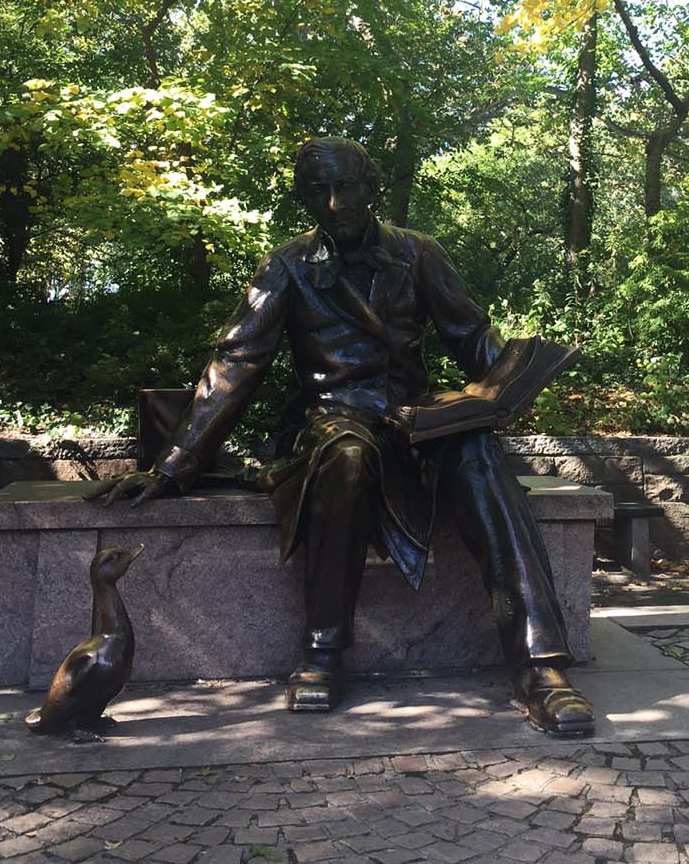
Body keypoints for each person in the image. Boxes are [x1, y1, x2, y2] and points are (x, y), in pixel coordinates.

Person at [91, 137, 594, 736]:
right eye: (318, 192)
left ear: (370, 186)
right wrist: (174, 464)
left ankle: (540, 666)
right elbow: (236, 362)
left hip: (414, 420)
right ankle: (322, 649)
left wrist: (514, 380)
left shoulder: (419, 254)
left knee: (479, 451)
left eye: (345, 187)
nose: (334, 204)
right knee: (347, 457)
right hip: (336, 418)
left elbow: (473, 339)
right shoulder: (287, 266)